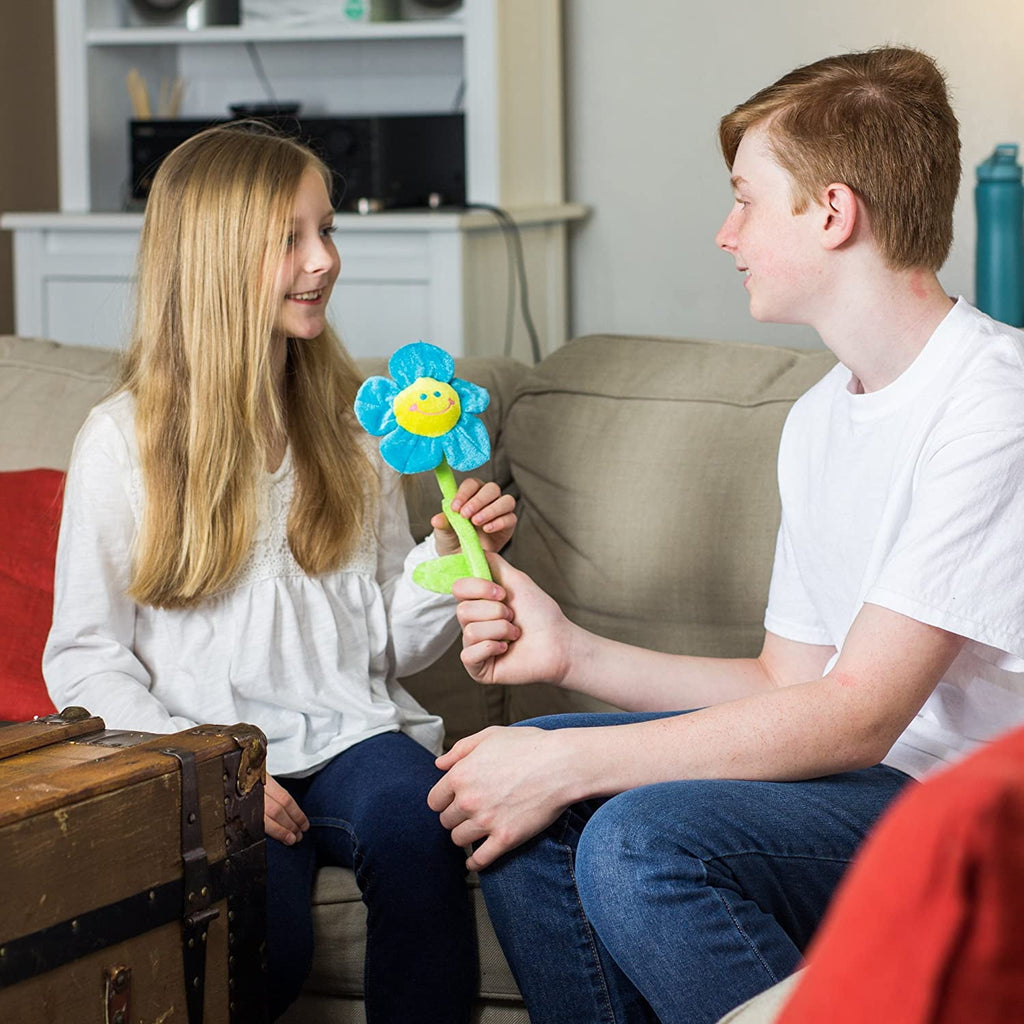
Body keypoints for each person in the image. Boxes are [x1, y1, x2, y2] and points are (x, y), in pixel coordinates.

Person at [426, 46, 1024, 1024]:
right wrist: (571, 651)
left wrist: (575, 766)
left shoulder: (992, 406)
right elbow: (784, 685)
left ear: (831, 213)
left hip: (969, 811)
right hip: (861, 781)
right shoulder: (823, 414)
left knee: (635, 837)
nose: (724, 232)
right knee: (521, 788)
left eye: (745, 200)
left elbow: (858, 712)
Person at [43, 123, 517, 1023]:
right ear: (217, 260)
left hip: (351, 734)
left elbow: (384, 644)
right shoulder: (123, 442)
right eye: (292, 239)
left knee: (418, 831)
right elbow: (85, 657)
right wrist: (210, 770)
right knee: (271, 941)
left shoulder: (350, 428)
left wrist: (451, 558)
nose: (325, 260)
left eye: (328, 230)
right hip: (212, 749)